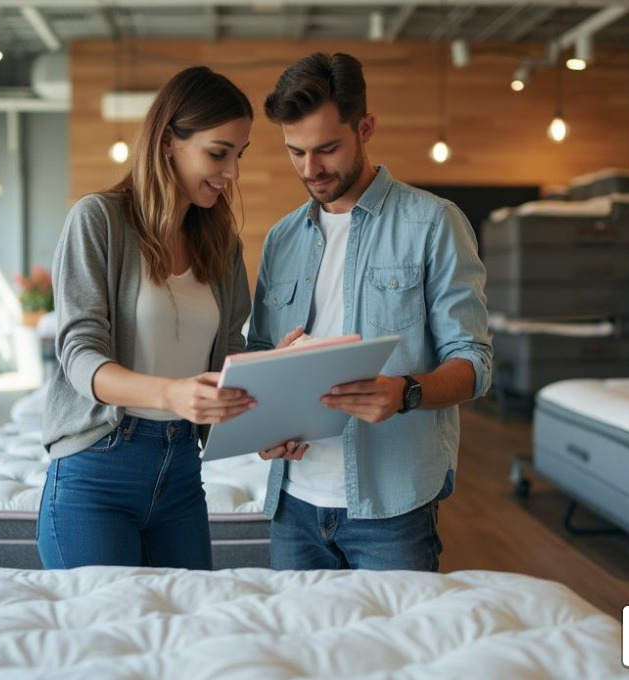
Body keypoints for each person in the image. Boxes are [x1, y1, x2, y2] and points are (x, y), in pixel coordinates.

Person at [248, 52, 493, 572]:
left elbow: (475, 363)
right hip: (293, 506)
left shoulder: (434, 223)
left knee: (398, 652)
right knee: (299, 653)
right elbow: (260, 356)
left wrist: (405, 392)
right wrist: (263, 424)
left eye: (327, 149)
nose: (310, 169)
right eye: (295, 152)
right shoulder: (281, 239)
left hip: (392, 508)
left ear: (366, 127)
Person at [37, 66, 255, 570]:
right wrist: (170, 393)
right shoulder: (98, 221)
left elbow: (230, 356)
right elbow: (79, 355)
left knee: (182, 638)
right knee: (106, 642)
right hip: (97, 473)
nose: (233, 173)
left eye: (239, 156)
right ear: (166, 142)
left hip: (180, 472)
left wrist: (277, 369)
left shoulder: (221, 246)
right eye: (218, 153)